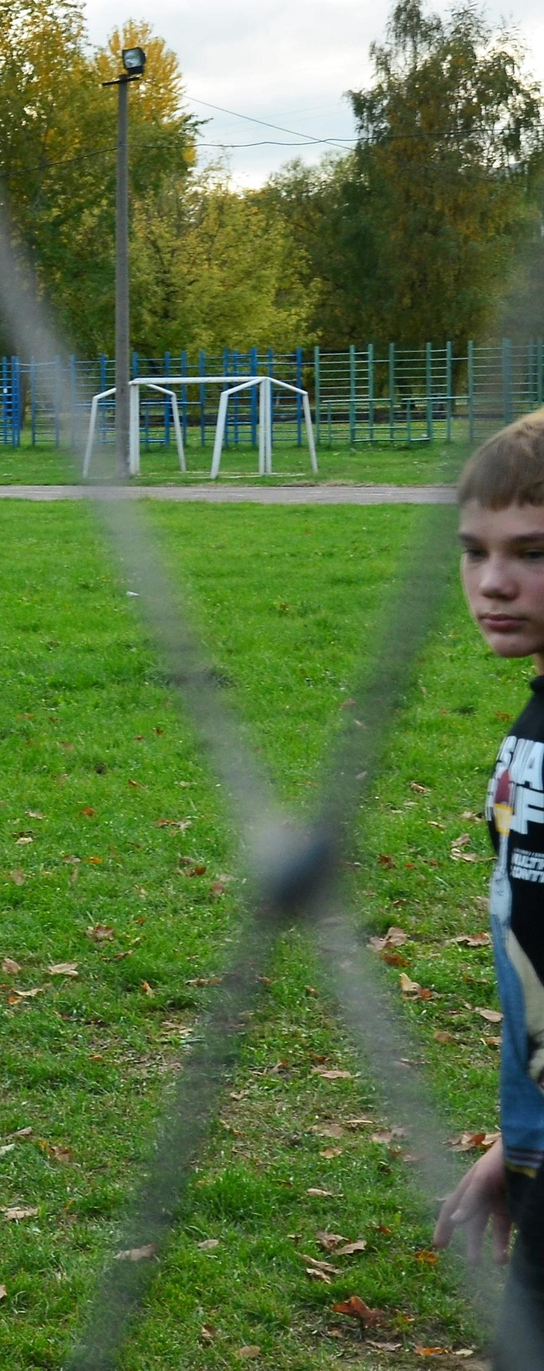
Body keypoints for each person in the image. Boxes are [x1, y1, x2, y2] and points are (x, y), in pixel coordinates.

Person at [435, 409, 544, 1328]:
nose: (494, 582)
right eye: (475, 550)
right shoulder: (530, 732)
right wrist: (516, 1147)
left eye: (534, 552)